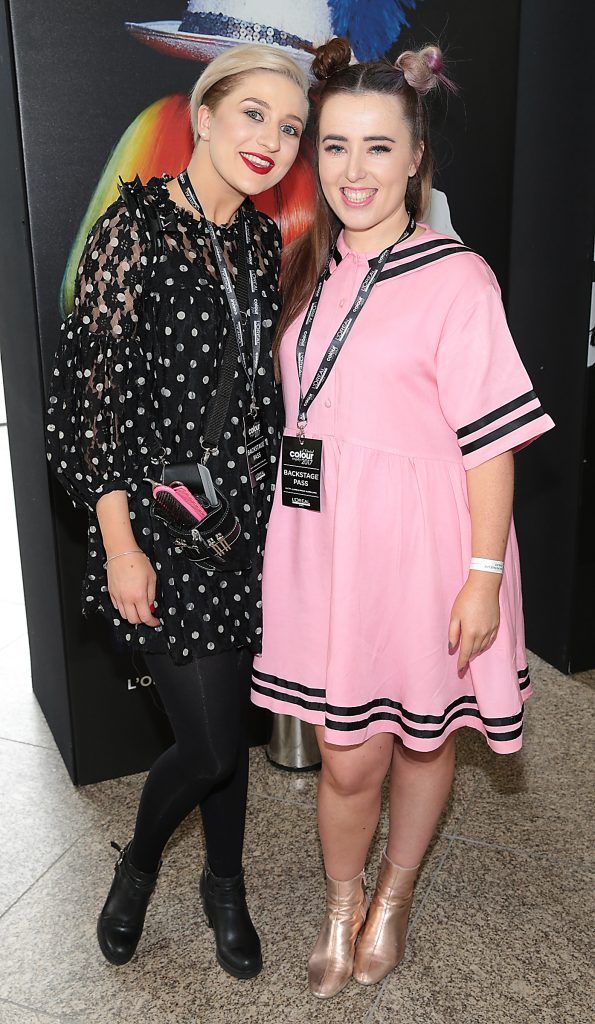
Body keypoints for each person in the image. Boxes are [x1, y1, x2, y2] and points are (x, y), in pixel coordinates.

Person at [251, 38, 554, 999]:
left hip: (424, 554)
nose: (354, 171)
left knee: (425, 737)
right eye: (334, 147)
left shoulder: (458, 280)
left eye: (378, 148)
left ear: (416, 155)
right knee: (348, 760)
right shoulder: (308, 265)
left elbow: (491, 445)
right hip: (329, 548)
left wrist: (482, 576)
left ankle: (393, 898)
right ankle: (340, 907)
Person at [46, 43, 309, 979]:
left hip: (241, 526)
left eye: (288, 128)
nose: (271, 142)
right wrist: (118, 545)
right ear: (201, 114)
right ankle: (143, 863)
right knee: (201, 742)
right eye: (252, 116)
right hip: (157, 527)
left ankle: (224, 886)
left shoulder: (259, 238)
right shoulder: (134, 231)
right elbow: (93, 404)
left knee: (225, 727)